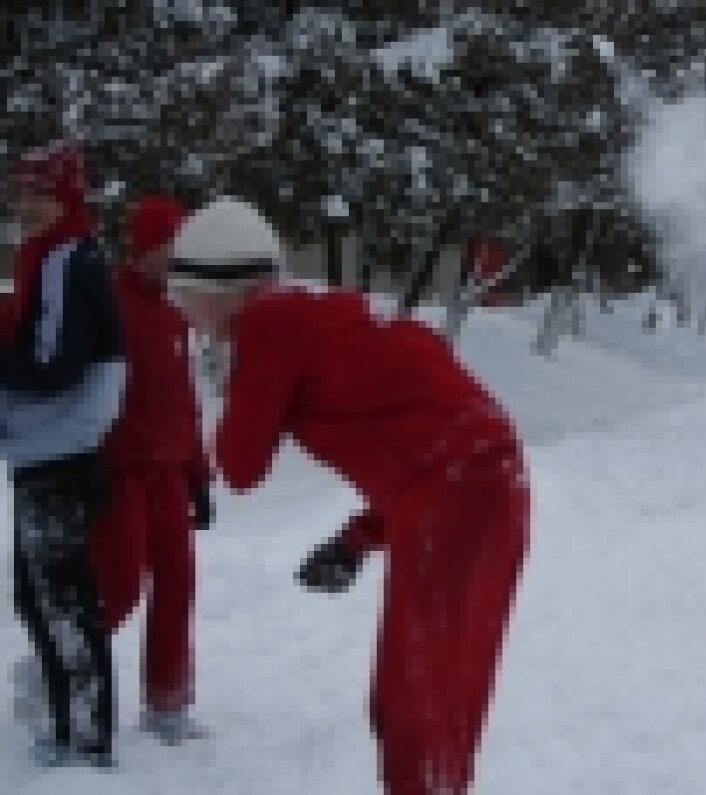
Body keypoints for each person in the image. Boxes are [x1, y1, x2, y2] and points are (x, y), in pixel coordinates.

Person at [167, 197, 529, 794]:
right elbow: (428, 439)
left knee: (418, 704)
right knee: (427, 697)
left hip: (463, 495)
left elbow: (239, 465)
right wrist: (359, 539)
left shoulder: (268, 323)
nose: (181, 311)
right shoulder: (320, 312)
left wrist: (240, 382)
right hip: (481, 488)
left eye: (184, 294)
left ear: (221, 288)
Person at [0, 142, 125, 766]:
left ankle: (88, 743)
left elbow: (55, 363)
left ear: (67, 197)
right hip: (44, 446)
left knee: (64, 601)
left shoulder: (66, 258)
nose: (25, 205)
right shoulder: (48, 257)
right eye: (20, 193)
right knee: (37, 595)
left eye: (37, 193)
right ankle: (64, 729)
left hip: (60, 448)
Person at [88, 196, 212, 744]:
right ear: (142, 247)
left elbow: (185, 398)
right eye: (168, 246)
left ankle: (167, 704)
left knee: (178, 585)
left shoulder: (174, 311)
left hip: (168, 472)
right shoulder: (109, 303)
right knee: (117, 587)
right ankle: (61, 676)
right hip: (120, 471)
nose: (176, 257)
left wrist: (198, 475)